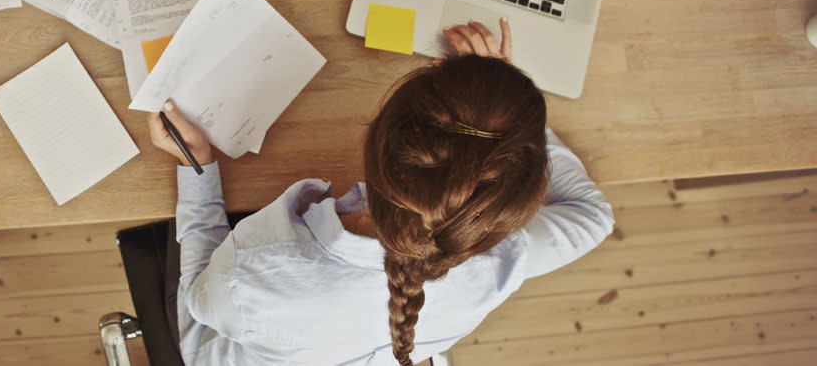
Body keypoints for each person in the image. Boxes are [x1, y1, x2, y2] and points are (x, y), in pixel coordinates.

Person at [147, 19, 614, 365]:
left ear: (374, 134)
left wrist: (199, 168)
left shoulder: (251, 276)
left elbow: (197, 300)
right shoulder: (503, 262)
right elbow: (592, 217)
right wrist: (506, 118)